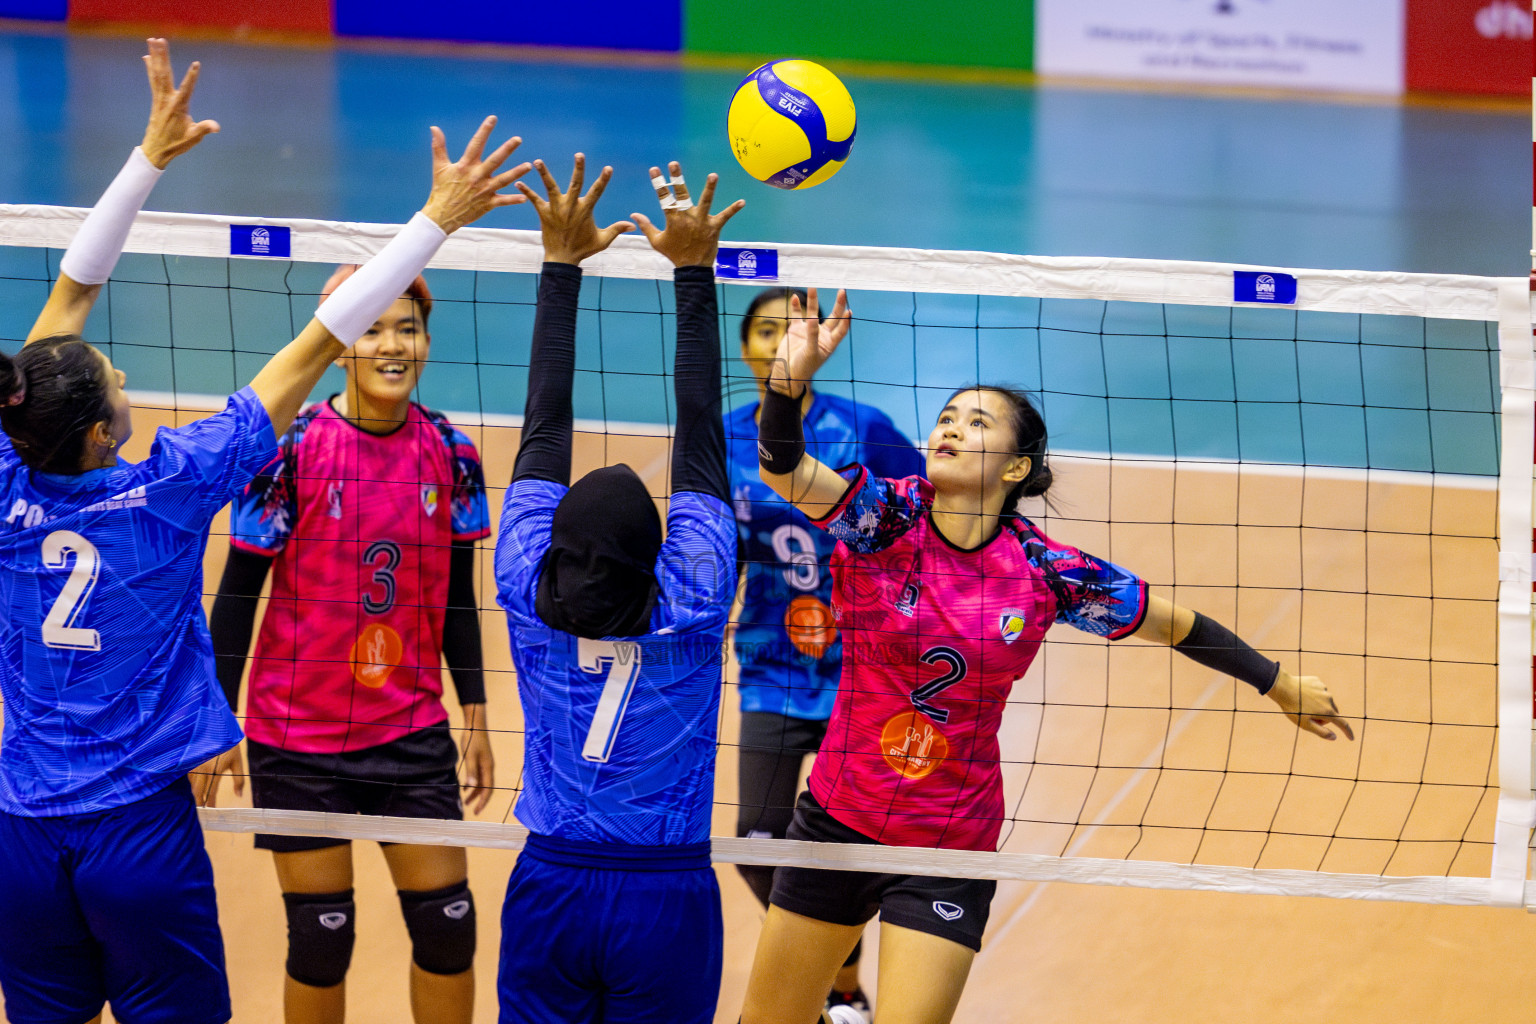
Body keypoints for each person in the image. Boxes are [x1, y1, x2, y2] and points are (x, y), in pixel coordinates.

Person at [0, 38, 528, 1024]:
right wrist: (436, 220)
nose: (121, 370)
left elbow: (63, 305)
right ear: (103, 429)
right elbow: (318, 342)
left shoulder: (6, 484)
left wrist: (145, 159)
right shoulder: (170, 488)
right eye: (112, 376)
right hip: (139, 833)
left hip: (23, 834)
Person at [739, 288, 1356, 1024]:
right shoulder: (884, 518)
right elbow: (783, 467)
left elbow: (1177, 625)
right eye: (947, 416)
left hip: (949, 843)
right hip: (840, 818)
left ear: (1015, 468)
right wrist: (787, 385)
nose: (951, 427)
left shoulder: (1047, 571)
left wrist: (1277, 682)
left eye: (978, 422)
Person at [205, 262, 496, 1024]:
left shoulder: (452, 452)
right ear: (338, 346)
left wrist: (475, 711)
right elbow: (237, 595)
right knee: (321, 939)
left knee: (448, 928)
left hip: (410, 733)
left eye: (408, 328)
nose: (392, 345)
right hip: (297, 739)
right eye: (371, 329)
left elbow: (456, 597)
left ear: (427, 340)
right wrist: (216, 719)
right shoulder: (289, 448)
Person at [492, 156, 742, 1024]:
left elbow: (542, 428)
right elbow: (702, 437)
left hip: (550, 883)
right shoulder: (692, 601)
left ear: (554, 551)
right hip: (663, 891)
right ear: (656, 558)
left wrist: (560, 263)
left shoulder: (525, 587)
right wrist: (694, 271)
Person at [726, 287, 924, 1019]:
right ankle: (838, 980)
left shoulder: (863, 429)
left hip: (861, 675)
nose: (782, 342)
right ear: (746, 348)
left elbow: (924, 518)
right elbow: (710, 547)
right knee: (756, 845)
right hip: (771, 668)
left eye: (794, 328)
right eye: (766, 330)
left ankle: (835, 995)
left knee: (856, 840)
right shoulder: (721, 437)